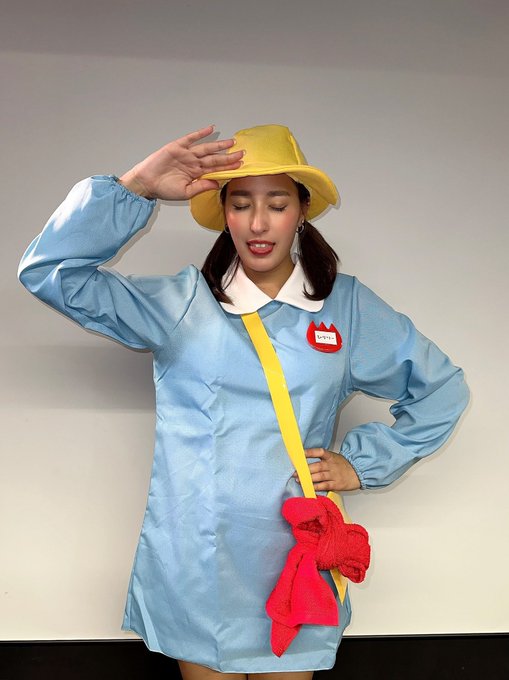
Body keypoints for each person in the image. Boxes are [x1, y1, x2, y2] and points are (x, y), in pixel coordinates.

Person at [18, 124, 469, 679]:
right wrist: (136, 187)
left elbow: (441, 388)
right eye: (241, 204)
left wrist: (362, 465)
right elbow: (49, 273)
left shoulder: (345, 307)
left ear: (302, 211)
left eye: (276, 204)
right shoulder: (181, 303)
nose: (258, 223)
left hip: (295, 557)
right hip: (198, 561)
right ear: (224, 214)